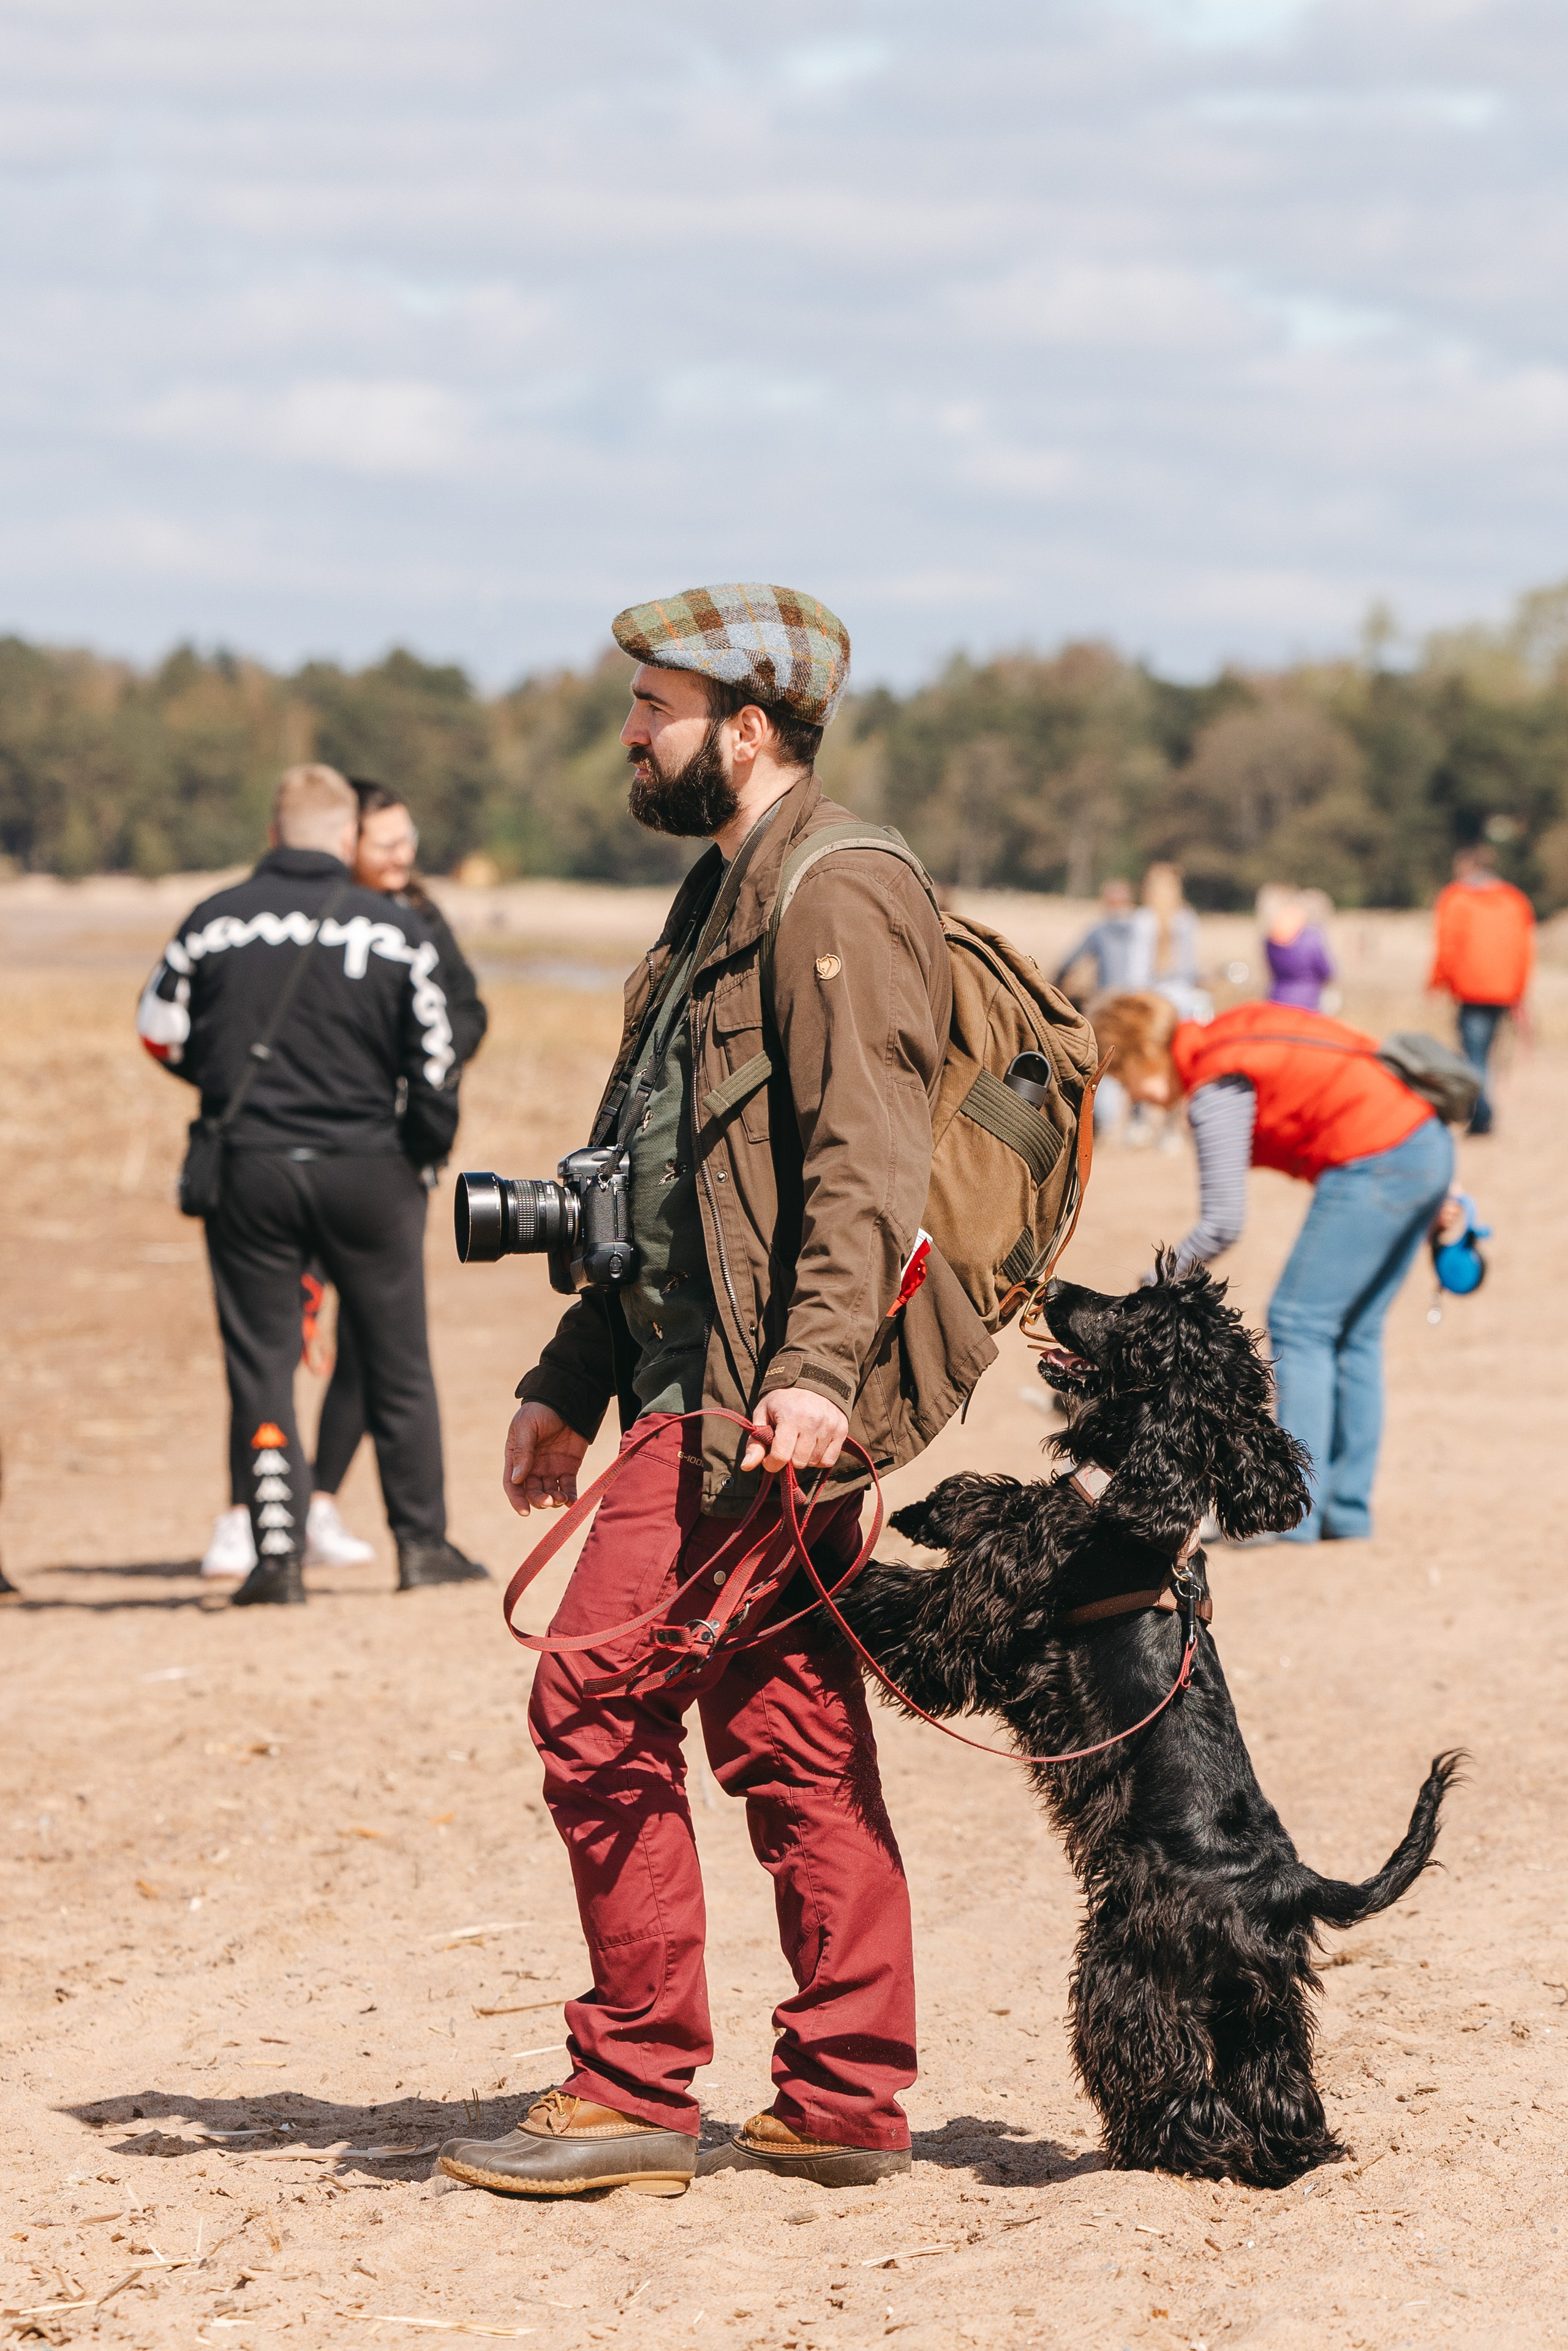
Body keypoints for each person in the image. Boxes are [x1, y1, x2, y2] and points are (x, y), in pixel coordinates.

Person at [437, 583, 991, 2203]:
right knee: (789, 1728)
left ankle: (629, 2086)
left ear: (745, 727)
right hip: (696, 1374)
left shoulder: (840, 888)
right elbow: (659, 1186)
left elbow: (866, 1164)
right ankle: (845, 2096)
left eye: (653, 705)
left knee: (592, 1701)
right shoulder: (714, 905)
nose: (631, 729)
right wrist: (565, 1377)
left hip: (753, 1400)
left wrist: (825, 1381)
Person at [137, 761, 488, 1604]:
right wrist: (418, 1148)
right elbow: (438, 1057)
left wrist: (226, 1087)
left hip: (250, 1168)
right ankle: (422, 1544)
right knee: (398, 1360)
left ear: (270, 835)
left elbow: (159, 1030)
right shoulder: (394, 930)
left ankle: (278, 1558)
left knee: (262, 1362)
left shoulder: (211, 921)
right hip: (371, 1168)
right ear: (344, 839)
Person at [1088, 991, 1453, 1544]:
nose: (1130, 1095)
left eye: (1121, 1081)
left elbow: (1222, 1224)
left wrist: (1146, 1293)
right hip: (1422, 1144)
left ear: (1142, 1056)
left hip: (1378, 1157)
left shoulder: (1215, 1083)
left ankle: (1293, 1515)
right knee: (1354, 1334)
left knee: (1300, 1322)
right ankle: (1344, 1512)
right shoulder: (1227, 1035)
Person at [1427, 842, 1534, 1136]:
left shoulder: (1457, 898)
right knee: (1486, 1053)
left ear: (1468, 867)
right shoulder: (1515, 900)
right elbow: (1525, 951)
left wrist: (1436, 983)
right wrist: (1519, 992)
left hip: (1470, 990)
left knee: (1474, 1054)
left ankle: (1481, 1114)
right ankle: (1481, 1112)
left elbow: (1447, 946)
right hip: (1504, 991)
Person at [1257, 884, 1336, 1011]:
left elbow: (1269, 969)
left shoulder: (1270, 939)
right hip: (1308, 1002)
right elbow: (1328, 970)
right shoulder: (1312, 937)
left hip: (1275, 998)